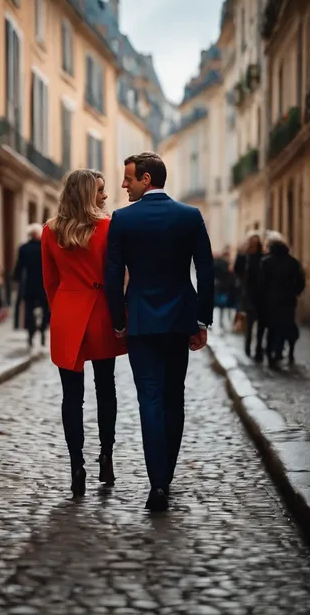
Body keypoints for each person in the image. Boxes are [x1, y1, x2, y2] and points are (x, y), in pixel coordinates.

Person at [105, 152, 214, 512]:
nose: (124, 185)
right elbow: (207, 271)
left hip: (140, 320)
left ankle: (158, 484)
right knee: (174, 396)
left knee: (149, 398)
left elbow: (112, 275)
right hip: (179, 318)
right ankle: (166, 473)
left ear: (146, 179)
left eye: (128, 179)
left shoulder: (121, 220)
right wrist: (202, 321)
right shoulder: (189, 216)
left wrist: (118, 320)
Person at [41, 170, 127, 497]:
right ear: (88, 193)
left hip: (67, 316)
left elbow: (49, 282)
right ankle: (106, 455)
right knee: (106, 388)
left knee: (71, 397)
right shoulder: (108, 227)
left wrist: (63, 308)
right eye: (101, 190)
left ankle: (76, 466)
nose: (105, 195)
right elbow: (118, 276)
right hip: (102, 313)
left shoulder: (50, 231)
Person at [259, 231, 305, 367]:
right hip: (288, 300)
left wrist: (262, 299)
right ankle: (284, 351)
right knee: (287, 325)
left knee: (272, 327)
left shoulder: (266, 262)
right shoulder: (293, 262)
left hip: (271, 301)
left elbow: (261, 283)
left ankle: (271, 353)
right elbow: (301, 281)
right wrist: (295, 292)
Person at [13, 224, 49, 348]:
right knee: (45, 309)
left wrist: (16, 279)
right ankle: (42, 330)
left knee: (29, 310)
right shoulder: (44, 246)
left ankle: (31, 333)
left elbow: (19, 266)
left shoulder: (24, 248)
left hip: (29, 284)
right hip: (43, 284)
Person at [240, 232, 264, 360]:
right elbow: (239, 274)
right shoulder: (244, 257)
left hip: (261, 296)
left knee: (260, 326)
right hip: (250, 295)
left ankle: (258, 349)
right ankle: (248, 347)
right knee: (249, 325)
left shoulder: (263, 257)